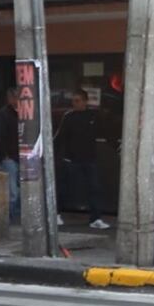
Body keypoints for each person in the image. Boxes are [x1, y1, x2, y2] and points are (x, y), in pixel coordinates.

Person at [55, 89, 110, 230]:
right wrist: (56, 155)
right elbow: (60, 137)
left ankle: (96, 218)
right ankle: (56, 214)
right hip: (71, 159)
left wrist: (114, 145)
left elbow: (104, 132)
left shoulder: (93, 116)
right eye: (73, 101)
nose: (75, 103)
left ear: (85, 101)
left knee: (94, 188)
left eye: (78, 100)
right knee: (65, 188)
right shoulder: (69, 117)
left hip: (89, 158)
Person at [0, 87, 21, 224]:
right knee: (12, 191)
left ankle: (16, 215)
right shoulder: (4, 114)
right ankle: (9, 218)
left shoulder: (24, 113)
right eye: (15, 97)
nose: (17, 100)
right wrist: (4, 154)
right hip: (9, 156)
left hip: (21, 156)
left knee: (20, 188)